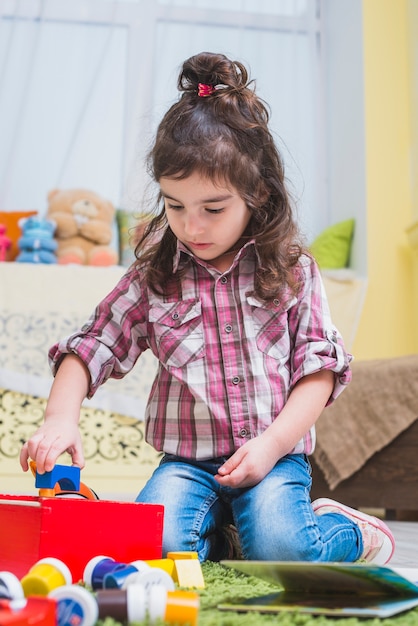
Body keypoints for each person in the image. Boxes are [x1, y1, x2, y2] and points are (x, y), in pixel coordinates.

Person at [20, 51, 395, 565]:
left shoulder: (292, 270)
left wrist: (269, 446)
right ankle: (224, 536)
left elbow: (319, 371)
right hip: (186, 464)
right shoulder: (155, 277)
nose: (192, 226)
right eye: (175, 205)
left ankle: (344, 529)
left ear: (256, 193)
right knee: (153, 548)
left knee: (284, 549)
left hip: (275, 456)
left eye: (213, 209)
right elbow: (93, 345)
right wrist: (60, 418)